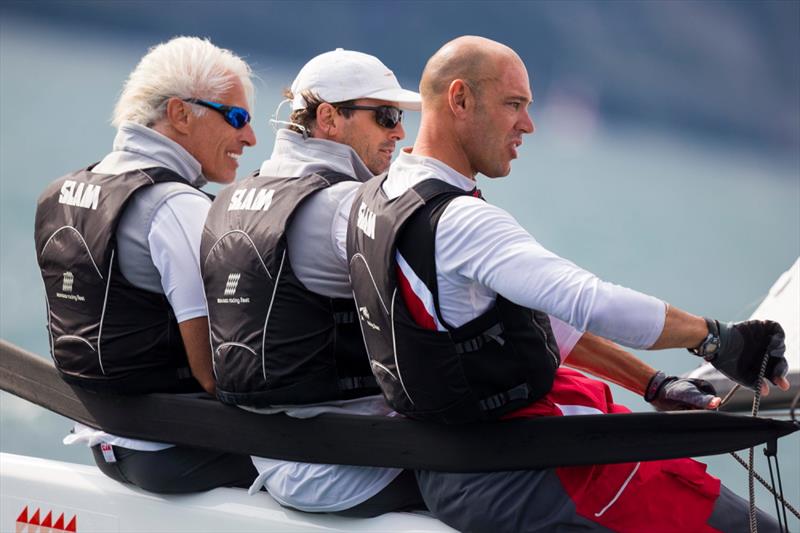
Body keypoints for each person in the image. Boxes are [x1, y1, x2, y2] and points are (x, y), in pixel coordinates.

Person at [346, 35, 789, 532]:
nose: (528, 125)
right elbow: (589, 301)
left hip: (458, 463)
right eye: (514, 105)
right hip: (513, 471)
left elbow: (538, 323)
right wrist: (719, 339)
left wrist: (653, 382)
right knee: (753, 527)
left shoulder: (377, 195)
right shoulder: (462, 222)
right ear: (460, 100)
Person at [201, 49, 426, 516]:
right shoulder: (347, 206)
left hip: (268, 454)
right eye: (386, 116)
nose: (401, 132)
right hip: (343, 465)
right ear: (328, 118)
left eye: (400, 118)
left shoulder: (233, 195)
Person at [33, 36, 258, 493]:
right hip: (175, 450)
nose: (250, 138)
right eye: (236, 118)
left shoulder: (62, 191)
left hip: (105, 443)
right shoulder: (178, 207)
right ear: (178, 113)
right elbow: (213, 375)